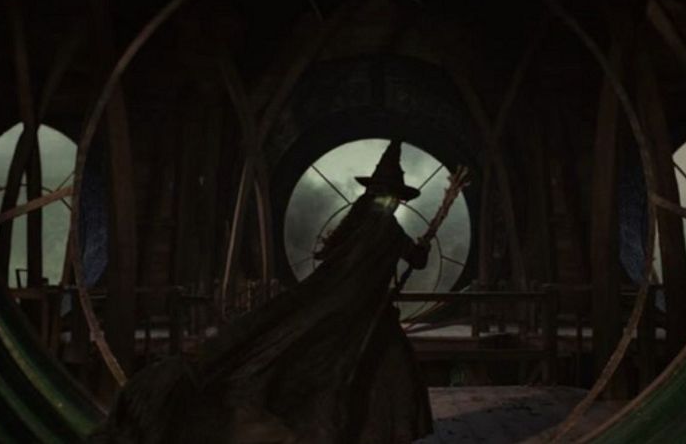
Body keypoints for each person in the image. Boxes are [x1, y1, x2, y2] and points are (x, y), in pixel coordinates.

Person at [92, 140, 433, 444]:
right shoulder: (378, 227)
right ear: (376, 197)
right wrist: (418, 251)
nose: (390, 202)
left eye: (393, 198)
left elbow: (390, 258)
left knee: (381, 371)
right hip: (348, 314)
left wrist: (416, 252)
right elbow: (396, 262)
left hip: (366, 315)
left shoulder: (372, 225)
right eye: (386, 196)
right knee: (340, 369)